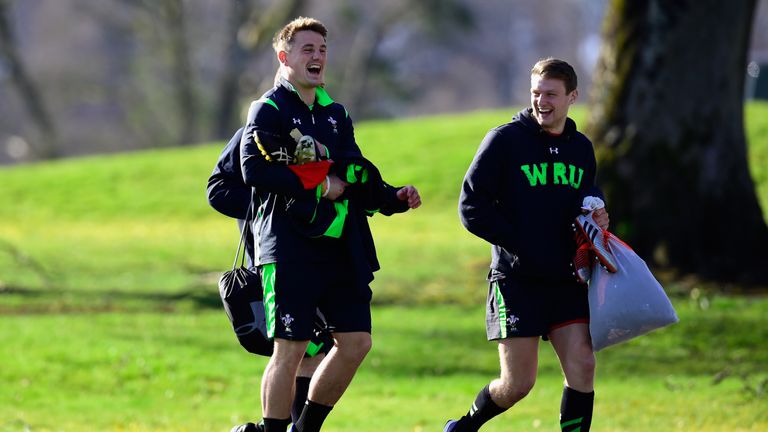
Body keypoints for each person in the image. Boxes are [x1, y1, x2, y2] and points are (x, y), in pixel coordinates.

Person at [239, 16, 421, 432]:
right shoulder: (268, 109)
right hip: (289, 248)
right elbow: (253, 170)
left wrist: (392, 197)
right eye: (308, 49)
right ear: (284, 58)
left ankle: (306, 428)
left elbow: (353, 174)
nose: (317, 56)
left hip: (341, 248)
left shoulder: (335, 113)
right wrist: (319, 187)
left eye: (322, 49)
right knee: (291, 348)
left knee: (356, 342)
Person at [448, 58, 609, 432]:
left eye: (551, 94)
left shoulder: (581, 148)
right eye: (536, 93)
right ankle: (464, 426)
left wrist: (599, 211)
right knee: (518, 384)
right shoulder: (505, 141)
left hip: (566, 279)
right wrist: (523, 243)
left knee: (583, 365)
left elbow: (587, 195)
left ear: (572, 97)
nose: (542, 102)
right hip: (516, 281)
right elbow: (471, 207)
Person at [207, 127, 334, 432]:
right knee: (292, 346)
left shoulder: (324, 133)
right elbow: (217, 191)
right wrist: (273, 202)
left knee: (318, 346)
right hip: (274, 261)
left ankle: (287, 427)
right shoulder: (251, 134)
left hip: (319, 259)